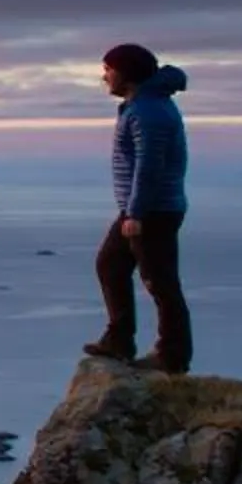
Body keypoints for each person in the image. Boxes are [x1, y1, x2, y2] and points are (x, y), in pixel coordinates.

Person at [86, 43, 191, 373]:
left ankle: (172, 356)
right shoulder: (142, 106)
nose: (104, 77)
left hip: (151, 212)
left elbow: (150, 166)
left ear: (127, 74)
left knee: (160, 282)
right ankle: (119, 341)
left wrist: (136, 214)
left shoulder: (149, 112)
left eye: (109, 70)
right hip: (143, 208)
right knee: (111, 265)